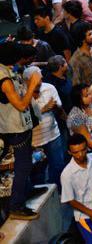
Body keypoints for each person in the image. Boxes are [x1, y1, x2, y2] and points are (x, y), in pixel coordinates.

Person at [0, 43, 39, 220]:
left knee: (26, 164)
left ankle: (25, 192)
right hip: (14, 129)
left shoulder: (7, 70)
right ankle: (16, 205)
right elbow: (21, 105)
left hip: (21, 126)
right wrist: (32, 85)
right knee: (22, 166)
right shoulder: (4, 80)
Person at [60, 133, 92, 244]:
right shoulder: (67, 174)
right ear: (69, 152)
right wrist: (90, 213)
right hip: (86, 217)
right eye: (75, 152)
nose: (80, 154)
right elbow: (70, 200)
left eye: (83, 150)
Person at [27, 66, 65, 188]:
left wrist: (55, 107)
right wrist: (43, 109)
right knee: (38, 171)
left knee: (58, 166)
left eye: (41, 80)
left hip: (53, 135)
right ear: (28, 81)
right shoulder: (22, 93)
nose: (40, 83)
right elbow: (25, 117)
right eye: (36, 81)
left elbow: (59, 107)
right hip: (35, 141)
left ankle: (59, 193)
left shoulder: (49, 88)